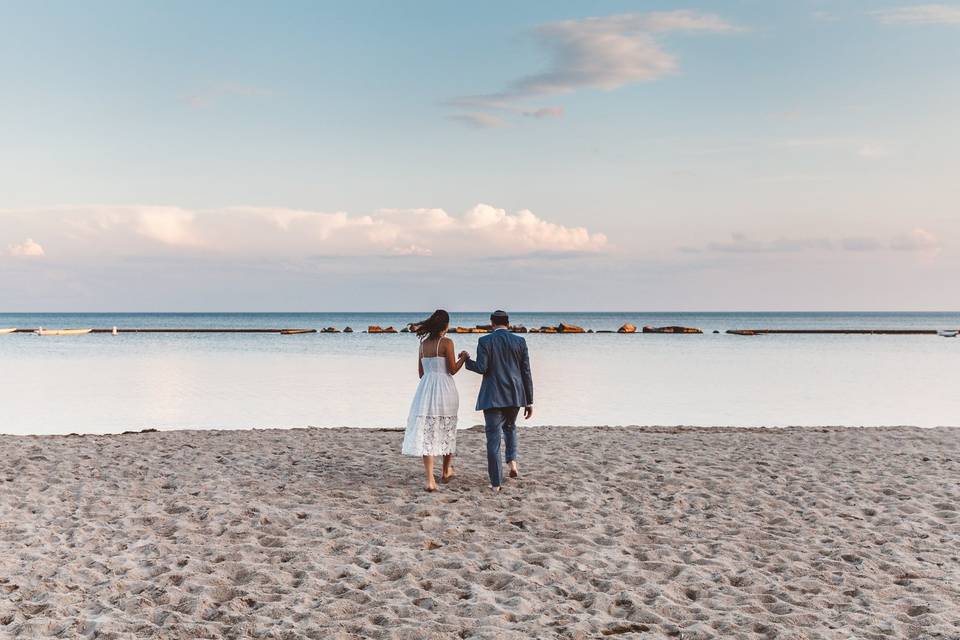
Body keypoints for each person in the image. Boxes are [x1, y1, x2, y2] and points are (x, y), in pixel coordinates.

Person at [461, 310, 534, 491]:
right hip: (515, 395)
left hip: (493, 396)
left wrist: (467, 360)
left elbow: (482, 367)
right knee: (510, 428)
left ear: (492, 323)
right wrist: (529, 401)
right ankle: (512, 462)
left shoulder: (485, 341)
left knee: (493, 440)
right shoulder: (520, 341)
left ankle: (496, 483)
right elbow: (526, 372)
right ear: (508, 324)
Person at [401, 310, 467, 491]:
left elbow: (421, 373)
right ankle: (446, 471)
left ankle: (430, 480)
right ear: (445, 326)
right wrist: (464, 358)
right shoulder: (446, 342)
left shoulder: (423, 345)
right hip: (445, 388)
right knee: (447, 428)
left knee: (427, 433)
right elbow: (452, 369)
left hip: (426, 388)